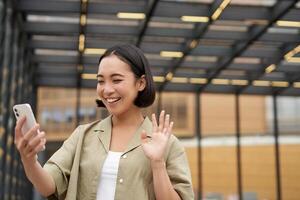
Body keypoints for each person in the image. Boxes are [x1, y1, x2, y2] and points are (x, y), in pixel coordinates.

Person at [14, 44, 194, 200]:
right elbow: (48, 185)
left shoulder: (168, 144)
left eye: (116, 80)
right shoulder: (83, 136)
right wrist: (29, 159)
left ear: (140, 83)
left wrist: (157, 163)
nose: (107, 90)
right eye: (101, 81)